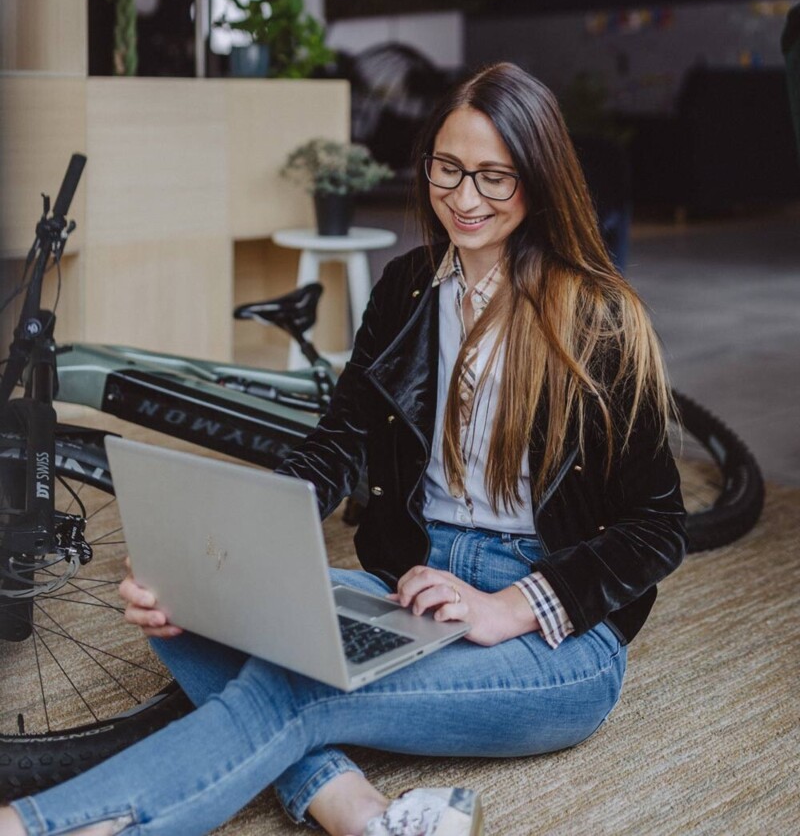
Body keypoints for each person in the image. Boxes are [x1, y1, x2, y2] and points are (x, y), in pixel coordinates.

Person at [0, 62, 686, 836]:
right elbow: (335, 445)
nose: (464, 198)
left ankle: (35, 827)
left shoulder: (600, 319)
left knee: (300, 689)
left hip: (559, 639)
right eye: (448, 169)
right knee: (187, 601)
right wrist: (224, 549)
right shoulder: (406, 289)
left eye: (495, 177)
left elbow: (659, 526)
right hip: (411, 587)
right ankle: (362, 814)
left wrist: (508, 605)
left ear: (540, 178)